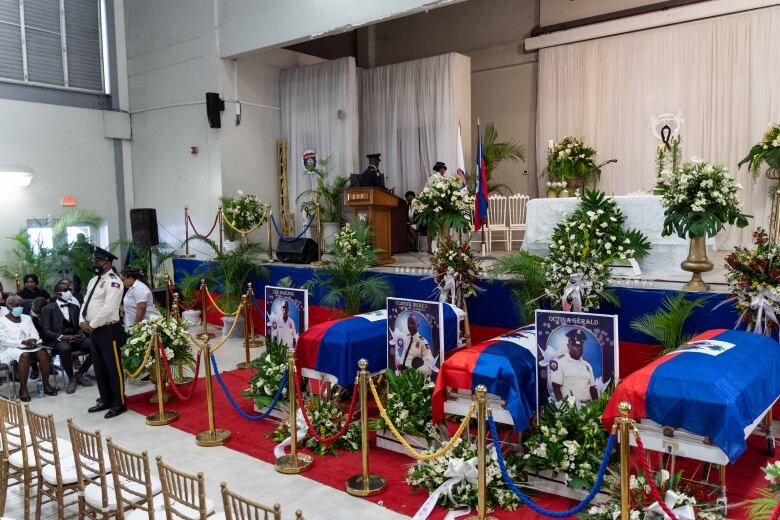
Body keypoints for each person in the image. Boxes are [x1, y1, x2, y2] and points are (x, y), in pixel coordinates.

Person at [80, 246, 126, 419]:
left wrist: (92, 324)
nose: (94, 263)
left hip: (108, 329)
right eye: (93, 260)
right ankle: (106, 399)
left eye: (97, 261)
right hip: (94, 330)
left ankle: (119, 403)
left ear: (107, 263)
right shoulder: (94, 281)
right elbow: (85, 302)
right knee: (99, 367)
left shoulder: (114, 281)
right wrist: (81, 321)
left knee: (113, 368)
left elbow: (109, 307)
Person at [0, 295, 57, 401]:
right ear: (8, 307)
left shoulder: (27, 318)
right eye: (16, 305)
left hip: (30, 346)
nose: (19, 307)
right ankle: (23, 389)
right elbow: (3, 340)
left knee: (42, 352)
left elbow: (34, 333)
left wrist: (34, 340)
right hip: (10, 349)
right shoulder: (1, 321)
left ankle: (46, 385)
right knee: (24, 355)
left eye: (20, 305)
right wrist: (22, 342)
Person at [41, 282, 94, 393]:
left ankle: (80, 373)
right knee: (65, 348)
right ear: (57, 293)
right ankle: (71, 378)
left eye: (70, 289)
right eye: (65, 290)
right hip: (58, 340)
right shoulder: (47, 308)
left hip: (75, 337)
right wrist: (63, 337)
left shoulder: (74, 307)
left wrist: (80, 335)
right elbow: (45, 330)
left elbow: (80, 324)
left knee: (95, 346)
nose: (69, 292)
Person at [550, 328, 598, 403]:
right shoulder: (560, 362)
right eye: (575, 345)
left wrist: (597, 405)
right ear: (568, 345)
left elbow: (593, 388)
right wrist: (562, 409)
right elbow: (556, 387)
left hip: (587, 406)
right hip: (570, 408)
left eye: (580, 346)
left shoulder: (587, 365)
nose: (578, 348)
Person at [121, 267, 161, 331]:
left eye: (122, 280)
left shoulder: (139, 288)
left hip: (146, 327)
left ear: (130, 278)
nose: (122, 282)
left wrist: (136, 327)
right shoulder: (131, 288)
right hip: (135, 326)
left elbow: (142, 308)